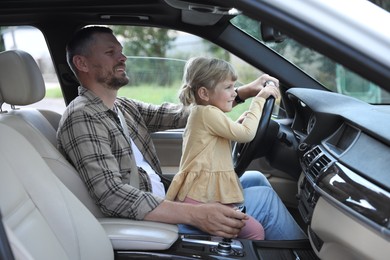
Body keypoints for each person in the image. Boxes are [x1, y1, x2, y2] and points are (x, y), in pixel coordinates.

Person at [57, 25, 307, 240]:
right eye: (111, 53)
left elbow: (186, 114)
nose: (122, 58)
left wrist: (240, 93)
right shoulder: (82, 117)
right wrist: (197, 214)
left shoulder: (122, 106)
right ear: (82, 63)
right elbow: (112, 195)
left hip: (166, 199)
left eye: (121, 52)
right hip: (151, 219)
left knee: (256, 179)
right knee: (263, 201)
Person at [166, 57, 280, 240]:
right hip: (201, 195)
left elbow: (217, 139)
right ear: (204, 93)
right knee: (255, 231)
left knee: (257, 181)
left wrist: (239, 121)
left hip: (199, 190)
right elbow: (246, 134)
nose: (234, 93)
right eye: (228, 87)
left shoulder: (202, 112)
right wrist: (259, 100)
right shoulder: (208, 112)